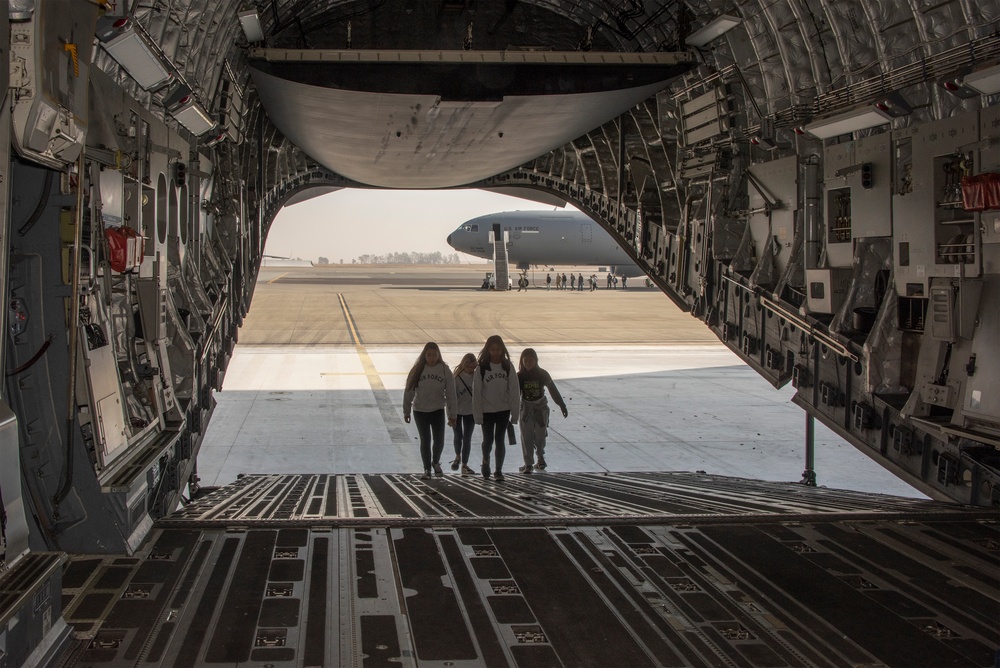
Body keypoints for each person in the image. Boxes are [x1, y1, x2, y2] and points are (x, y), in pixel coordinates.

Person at [403, 342, 456, 479]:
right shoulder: (418, 369)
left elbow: (451, 393)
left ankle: (435, 462)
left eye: (434, 355)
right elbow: (409, 390)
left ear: (439, 355)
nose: (432, 358)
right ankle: (427, 468)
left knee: (439, 440)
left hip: (437, 410)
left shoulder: (444, 370)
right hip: (420, 411)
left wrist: (452, 414)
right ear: (424, 355)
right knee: (425, 440)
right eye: (429, 355)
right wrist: (406, 410)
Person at [472, 335, 520, 482]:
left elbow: (514, 391)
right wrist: (477, 415)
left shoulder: (507, 366)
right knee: (488, 440)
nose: (495, 352)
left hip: (503, 410)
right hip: (487, 411)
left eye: (498, 349)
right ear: (488, 350)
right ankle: (486, 460)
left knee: (500, 440)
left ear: (502, 349)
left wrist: (515, 413)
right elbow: (477, 393)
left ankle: (498, 470)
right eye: (492, 349)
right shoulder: (481, 368)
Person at [516, 348, 568, 473]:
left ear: (536, 360)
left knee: (540, 436)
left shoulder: (542, 374)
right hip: (526, 409)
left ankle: (540, 459)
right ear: (522, 361)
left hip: (541, 408)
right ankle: (528, 464)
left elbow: (552, 390)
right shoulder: (519, 376)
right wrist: (509, 410)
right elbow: (514, 394)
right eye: (526, 360)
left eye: (531, 360)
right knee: (526, 436)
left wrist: (562, 405)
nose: (528, 362)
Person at [450, 353, 477, 475]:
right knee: (458, 436)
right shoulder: (456, 378)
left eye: (473, 367)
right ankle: (457, 456)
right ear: (464, 365)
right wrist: (451, 415)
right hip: (458, 411)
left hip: (471, 411)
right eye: (469, 367)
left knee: (467, 438)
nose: (471, 370)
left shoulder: (477, 377)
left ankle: (465, 464)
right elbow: (451, 397)